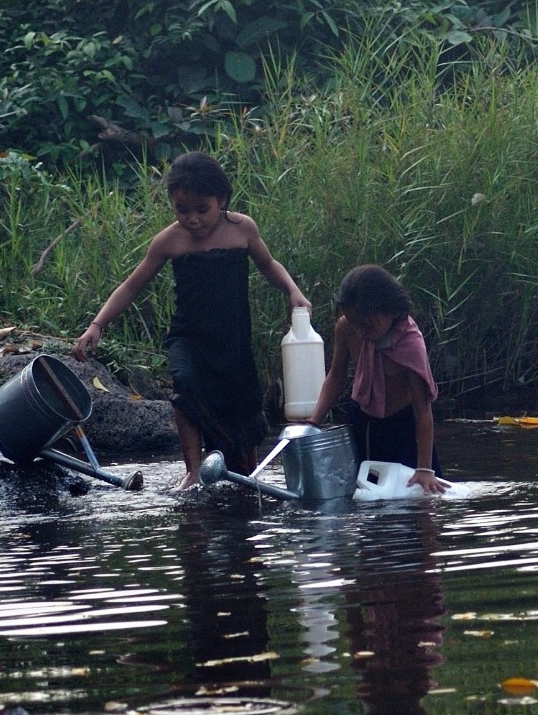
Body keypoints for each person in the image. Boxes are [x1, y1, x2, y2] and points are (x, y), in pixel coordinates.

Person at [73, 151, 309, 490]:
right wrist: (97, 324)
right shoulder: (170, 241)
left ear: (222, 199)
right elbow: (131, 286)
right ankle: (193, 470)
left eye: (202, 209)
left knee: (242, 406)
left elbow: (269, 265)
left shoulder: (242, 230)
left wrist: (292, 291)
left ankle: (247, 472)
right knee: (185, 388)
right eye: (182, 210)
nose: (193, 219)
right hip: (189, 336)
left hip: (232, 340)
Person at [307, 264, 447, 493]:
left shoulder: (410, 343)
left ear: (389, 311)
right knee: (364, 497)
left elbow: (423, 411)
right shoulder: (347, 328)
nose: (361, 332)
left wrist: (424, 469)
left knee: (416, 501)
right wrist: (313, 424)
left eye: (367, 325)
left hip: (402, 430)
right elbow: (336, 377)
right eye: (355, 324)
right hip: (363, 423)